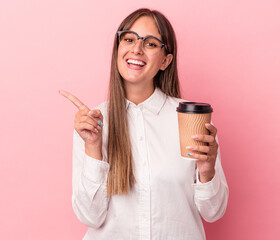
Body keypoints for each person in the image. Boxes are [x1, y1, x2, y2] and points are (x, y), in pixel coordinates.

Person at [59, 8, 228, 240]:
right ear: (118, 48)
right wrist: (93, 147)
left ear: (165, 60)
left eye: (150, 43)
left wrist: (207, 171)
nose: (136, 49)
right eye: (129, 39)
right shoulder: (94, 123)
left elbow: (214, 212)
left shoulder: (191, 119)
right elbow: (90, 217)